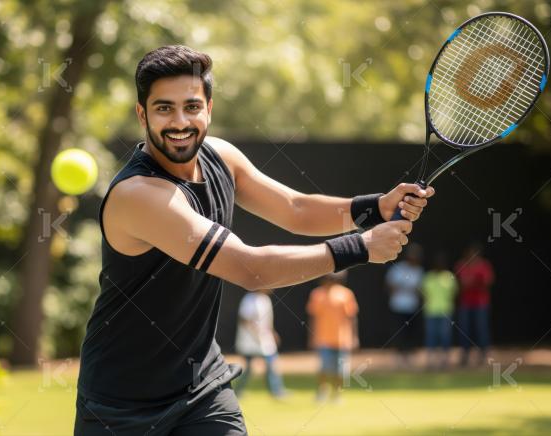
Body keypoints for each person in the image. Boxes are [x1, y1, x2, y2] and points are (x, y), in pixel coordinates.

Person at [74, 45, 435, 435]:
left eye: (192, 106)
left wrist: (376, 208)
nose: (180, 121)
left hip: (200, 388)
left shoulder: (222, 157)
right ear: (142, 114)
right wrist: (361, 247)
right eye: (164, 108)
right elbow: (252, 270)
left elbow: (295, 208)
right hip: (121, 405)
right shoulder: (139, 195)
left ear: (209, 109)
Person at [306, 271, 359, 403]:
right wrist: (311, 336)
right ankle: (321, 393)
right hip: (323, 339)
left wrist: (354, 337)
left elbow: (352, 318)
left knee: (341, 371)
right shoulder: (317, 294)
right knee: (324, 369)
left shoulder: (346, 294)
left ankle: (337, 395)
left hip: (342, 340)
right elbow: (313, 317)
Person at [234, 289, 288, 399]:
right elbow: (244, 319)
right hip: (249, 340)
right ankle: (237, 392)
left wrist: (272, 333)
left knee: (271, 364)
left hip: (264, 340)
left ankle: (276, 391)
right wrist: (256, 333)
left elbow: (267, 321)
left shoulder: (265, 299)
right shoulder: (249, 299)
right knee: (248, 368)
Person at [385, 243, 424, 368]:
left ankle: (409, 356)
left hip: (412, 306)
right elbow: (389, 285)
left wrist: (412, 289)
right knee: (399, 332)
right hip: (398, 306)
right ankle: (399, 356)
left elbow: (421, 290)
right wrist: (402, 287)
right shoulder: (398, 268)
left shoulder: (419, 270)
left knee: (411, 332)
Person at [455, 242, 494, 367]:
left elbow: (487, 282)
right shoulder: (461, 265)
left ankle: (483, 355)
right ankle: (465, 356)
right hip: (465, 303)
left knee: (481, 329)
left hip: (480, 303)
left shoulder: (484, 265)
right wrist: (474, 283)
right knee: (464, 329)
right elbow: (459, 284)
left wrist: (471, 283)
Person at [420, 252, 458, 369]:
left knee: (445, 336)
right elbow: (423, 293)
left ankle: (445, 359)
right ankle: (431, 360)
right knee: (431, 336)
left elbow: (454, 293)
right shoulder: (428, 277)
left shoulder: (449, 276)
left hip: (445, 311)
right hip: (431, 311)